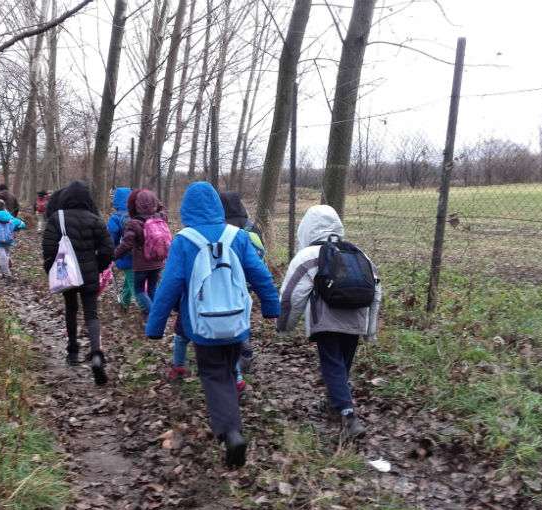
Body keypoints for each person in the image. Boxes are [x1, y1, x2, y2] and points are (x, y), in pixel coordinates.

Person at [146, 182, 280, 468]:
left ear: (186, 209)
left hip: (203, 325)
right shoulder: (238, 237)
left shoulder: (185, 240)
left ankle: (230, 432)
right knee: (230, 371)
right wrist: (271, 306)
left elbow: (170, 285)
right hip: (235, 322)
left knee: (214, 375)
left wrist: (155, 326)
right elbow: (261, 274)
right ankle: (232, 422)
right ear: (217, 208)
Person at [276, 205, 382, 440]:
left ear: (306, 229)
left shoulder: (308, 256)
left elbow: (291, 296)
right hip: (356, 318)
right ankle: (336, 403)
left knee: (332, 365)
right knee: (342, 365)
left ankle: (348, 415)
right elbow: (376, 291)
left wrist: (284, 326)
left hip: (326, 321)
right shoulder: (358, 254)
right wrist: (370, 331)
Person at [42, 181, 114, 385]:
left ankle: (73, 351)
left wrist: (52, 270)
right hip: (89, 275)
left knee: (71, 309)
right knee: (92, 314)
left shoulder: (57, 218)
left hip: (66, 274)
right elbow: (108, 249)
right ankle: (97, 354)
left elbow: (48, 249)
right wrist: (98, 267)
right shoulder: (95, 220)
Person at [219, 192, 265, 395]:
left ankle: (242, 351)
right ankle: (243, 350)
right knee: (243, 315)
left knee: (230, 317)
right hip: (248, 283)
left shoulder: (223, 228)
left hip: (229, 282)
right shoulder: (251, 226)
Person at [113, 189, 169, 316]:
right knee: (152, 289)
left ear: (134, 206)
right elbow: (163, 208)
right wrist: (153, 200)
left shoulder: (133, 223)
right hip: (158, 262)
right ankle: (154, 315)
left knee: (139, 290)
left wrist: (113, 256)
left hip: (141, 265)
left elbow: (126, 244)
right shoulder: (161, 217)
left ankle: (155, 314)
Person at [106, 187, 134, 308]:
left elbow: (111, 239)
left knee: (135, 286)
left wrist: (111, 254)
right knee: (130, 279)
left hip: (124, 255)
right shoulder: (135, 215)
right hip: (140, 254)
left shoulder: (115, 218)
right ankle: (124, 303)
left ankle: (149, 310)